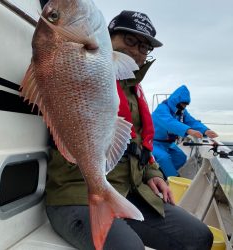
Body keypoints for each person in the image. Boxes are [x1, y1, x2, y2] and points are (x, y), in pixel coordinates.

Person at [45, 10, 213, 250]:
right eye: (129, 40)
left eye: (144, 47)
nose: (136, 51)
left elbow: (135, 142)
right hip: (77, 191)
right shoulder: (82, 68)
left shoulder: (133, 91)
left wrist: (152, 173)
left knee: (199, 236)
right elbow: (51, 65)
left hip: (129, 191)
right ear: (106, 37)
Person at [152, 85, 218, 178]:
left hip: (168, 144)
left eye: (185, 105)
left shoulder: (181, 111)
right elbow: (169, 123)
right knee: (164, 158)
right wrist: (188, 130)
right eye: (183, 104)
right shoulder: (161, 109)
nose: (184, 106)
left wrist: (206, 130)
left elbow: (191, 121)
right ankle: (172, 179)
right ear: (176, 101)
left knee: (181, 157)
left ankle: (161, 175)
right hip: (152, 143)